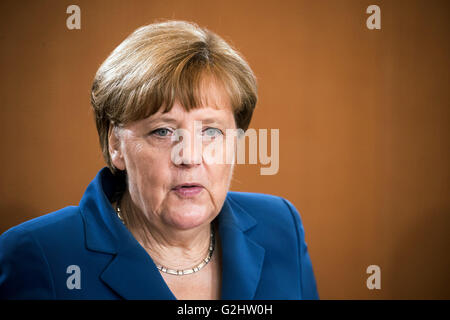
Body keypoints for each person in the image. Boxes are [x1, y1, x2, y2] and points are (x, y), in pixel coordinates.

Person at [0, 20, 319, 300]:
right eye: (163, 131)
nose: (190, 156)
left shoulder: (281, 226)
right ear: (116, 145)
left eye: (211, 131)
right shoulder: (39, 254)